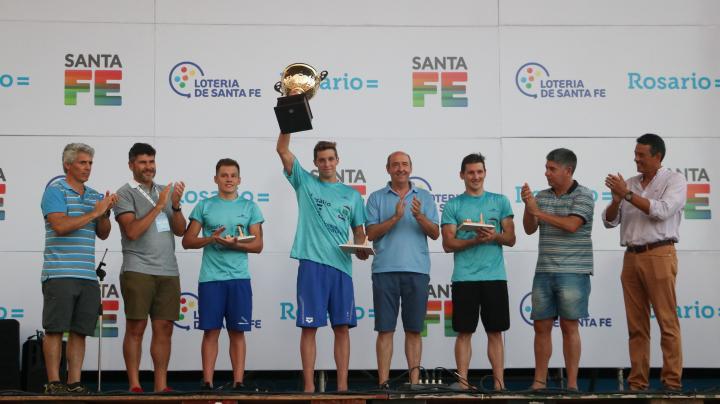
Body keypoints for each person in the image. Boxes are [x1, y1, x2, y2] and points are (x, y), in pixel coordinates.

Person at [276, 131, 369, 392]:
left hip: (341, 267)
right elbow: (282, 150)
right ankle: (308, 388)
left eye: (330, 159)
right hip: (312, 264)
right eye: (321, 160)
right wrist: (288, 124)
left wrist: (361, 248)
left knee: (342, 328)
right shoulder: (304, 182)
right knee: (309, 328)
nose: (327, 163)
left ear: (338, 160)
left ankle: (342, 387)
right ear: (315, 163)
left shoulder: (352, 195)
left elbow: (359, 232)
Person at [603, 134, 686, 391]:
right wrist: (616, 199)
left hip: (659, 253)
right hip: (631, 256)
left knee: (667, 322)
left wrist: (626, 194)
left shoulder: (674, 180)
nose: (636, 159)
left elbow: (662, 211)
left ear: (657, 156)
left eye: (641, 155)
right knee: (636, 325)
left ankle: (671, 382)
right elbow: (609, 221)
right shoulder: (629, 183)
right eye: (635, 154)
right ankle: (637, 383)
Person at [40, 143, 117, 394]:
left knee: (79, 331)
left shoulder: (94, 195)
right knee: (54, 330)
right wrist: (94, 213)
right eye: (82, 162)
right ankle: (54, 382)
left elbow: (103, 234)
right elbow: (60, 226)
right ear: (67, 165)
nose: (87, 168)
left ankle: (74, 382)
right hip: (59, 272)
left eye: (90, 163)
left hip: (87, 274)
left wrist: (104, 214)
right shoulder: (55, 191)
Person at [182, 158, 264, 391]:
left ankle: (238, 382)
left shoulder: (250, 207)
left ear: (239, 179)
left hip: (239, 279)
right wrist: (212, 239)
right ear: (215, 178)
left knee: (237, 332)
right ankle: (207, 382)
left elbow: (258, 245)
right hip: (211, 279)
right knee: (211, 331)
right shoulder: (204, 205)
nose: (229, 179)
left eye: (233, 175)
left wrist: (234, 244)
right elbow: (187, 241)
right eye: (224, 175)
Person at [113, 143, 186, 392]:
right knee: (136, 327)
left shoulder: (164, 191)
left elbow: (180, 230)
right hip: (138, 269)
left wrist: (175, 206)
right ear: (131, 165)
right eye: (143, 162)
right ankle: (134, 385)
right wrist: (158, 206)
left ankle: (161, 386)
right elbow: (132, 232)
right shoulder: (124, 193)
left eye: (151, 161)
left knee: (164, 328)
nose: (148, 167)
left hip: (168, 270)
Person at [521, 148, 594, 391]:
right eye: (546, 168)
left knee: (569, 326)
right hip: (544, 270)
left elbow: (572, 225)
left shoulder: (584, 195)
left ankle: (572, 384)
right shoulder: (542, 196)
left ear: (568, 170)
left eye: (552, 169)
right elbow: (529, 228)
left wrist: (538, 212)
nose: (547, 173)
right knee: (540, 327)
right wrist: (529, 206)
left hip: (573, 271)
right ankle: (539, 382)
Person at [441, 153, 515, 391]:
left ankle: (499, 384)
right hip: (465, 278)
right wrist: (474, 240)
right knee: (464, 332)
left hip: (495, 276)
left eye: (479, 172)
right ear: (462, 175)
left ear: (485, 173)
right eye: (471, 172)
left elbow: (511, 238)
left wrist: (494, 236)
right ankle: (463, 382)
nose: (476, 176)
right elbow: (447, 244)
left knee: (495, 332)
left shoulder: (500, 201)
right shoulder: (453, 205)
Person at [365, 151, 439, 387]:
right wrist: (395, 217)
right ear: (388, 169)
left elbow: (435, 233)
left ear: (411, 168)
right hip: (384, 271)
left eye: (405, 164)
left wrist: (419, 216)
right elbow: (370, 234)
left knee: (414, 330)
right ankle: (383, 383)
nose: (401, 168)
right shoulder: (376, 198)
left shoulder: (424, 197)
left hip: (417, 270)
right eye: (395, 165)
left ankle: (414, 383)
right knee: (385, 330)